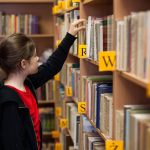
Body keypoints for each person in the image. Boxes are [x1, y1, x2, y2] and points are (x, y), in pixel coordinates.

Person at [0, 19, 85, 150]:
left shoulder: (27, 83)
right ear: (23, 64)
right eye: (34, 56)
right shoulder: (9, 102)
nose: (38, 58)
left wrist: (70, 36)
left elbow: (51, 66)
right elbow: (12, 144)